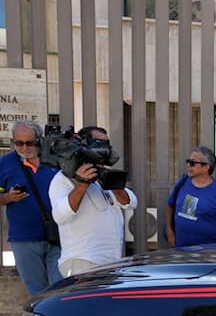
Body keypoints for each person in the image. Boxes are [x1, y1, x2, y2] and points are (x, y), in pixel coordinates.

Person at [49, 126, 137, 277]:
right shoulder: (62, 179)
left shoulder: (102, 175)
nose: (104, 149)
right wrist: (82, 183)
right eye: (98, 143)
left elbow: (131, 202)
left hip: (111, 262)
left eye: (106, 144)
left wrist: (114, 184)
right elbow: (60, 216)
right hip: (82, 262)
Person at [0, 120, 62, 293]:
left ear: (39, 140)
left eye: (30, 142)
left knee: (59, 290)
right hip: (24, 239)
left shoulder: (55, 160)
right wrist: (8, 197)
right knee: (37, 292)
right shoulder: (5, 163)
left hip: (60, 236)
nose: (24, 147)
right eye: (19, 143)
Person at [165, 146, 216, 247]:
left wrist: (215, 250)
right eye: (188, 162)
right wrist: (170, 234)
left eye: (193, 163)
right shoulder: (183, 181)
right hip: (180, 251)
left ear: (206, 167)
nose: (189, 166)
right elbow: (170, 205)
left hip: (205, 256)